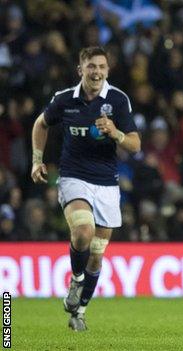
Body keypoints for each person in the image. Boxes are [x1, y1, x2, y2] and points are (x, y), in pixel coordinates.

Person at [31, 46, 140, 331]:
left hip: (106, 183)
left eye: (102, 67)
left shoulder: (117, 100)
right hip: (73, 177)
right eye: (91, 66)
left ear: (108, 70)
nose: (97, 72)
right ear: (81, 70)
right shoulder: (64, 100)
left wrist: (115, 133)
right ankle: (76, 279)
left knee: (97, 253)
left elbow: (136, 144)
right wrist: (36, 160)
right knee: (82, 230)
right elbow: (41, 124)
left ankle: (79, 311)